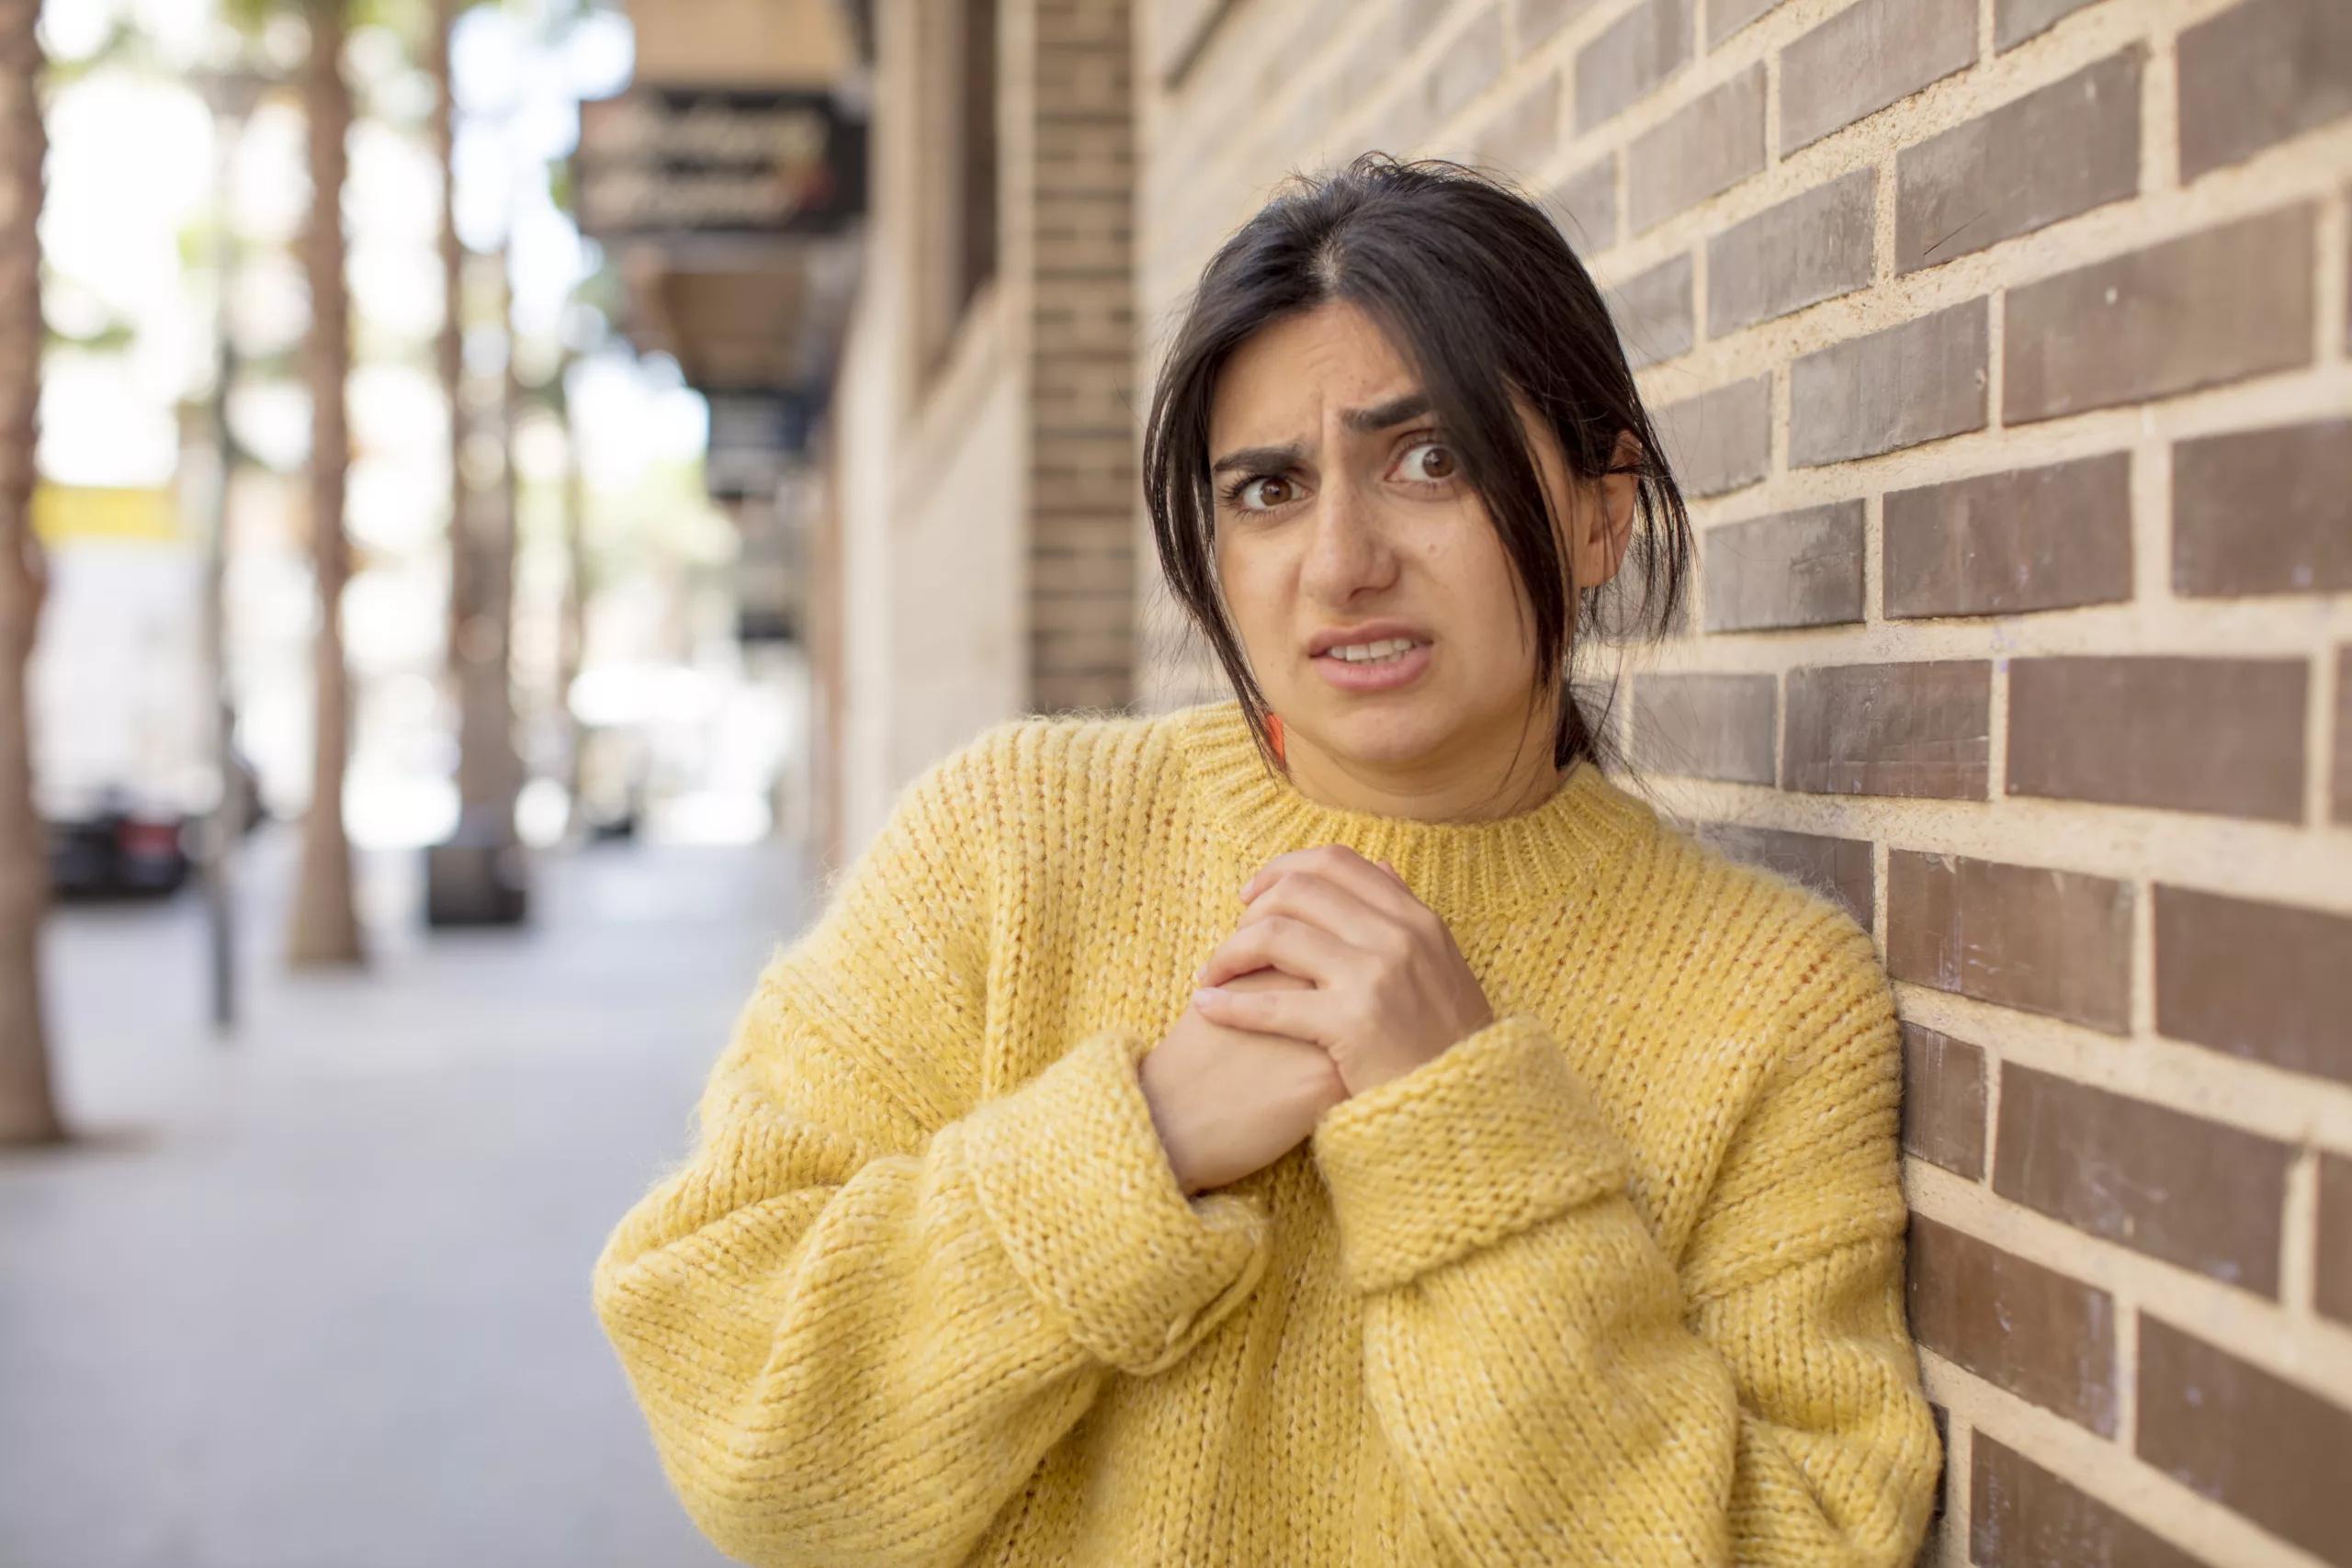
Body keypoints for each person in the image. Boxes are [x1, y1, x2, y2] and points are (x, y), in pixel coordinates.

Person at [593, 156, 1940, 1566]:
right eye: (1270, 488)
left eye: (1433, 461)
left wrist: (1459, 1134)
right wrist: (1143, 1140)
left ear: (1603, 510)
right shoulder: (1013, 841)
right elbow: (740, 1408)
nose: (1342, 561)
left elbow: (1799, 1541)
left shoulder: (1770, 998)